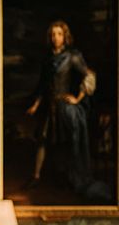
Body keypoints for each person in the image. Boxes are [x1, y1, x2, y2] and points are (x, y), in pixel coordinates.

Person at [25, 20, 105, 200]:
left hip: (65, 107)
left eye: (59, 34)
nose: (56, 38)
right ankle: (36, 176)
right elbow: (43, 86)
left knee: (66, 142)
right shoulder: (47, 60)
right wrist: (35, 105)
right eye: (53, 34)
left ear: (65, 36)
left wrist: (78, 98)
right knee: (43, 140)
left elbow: (89, 75)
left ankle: (68, 177)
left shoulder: (72, 56)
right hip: (49, 106)